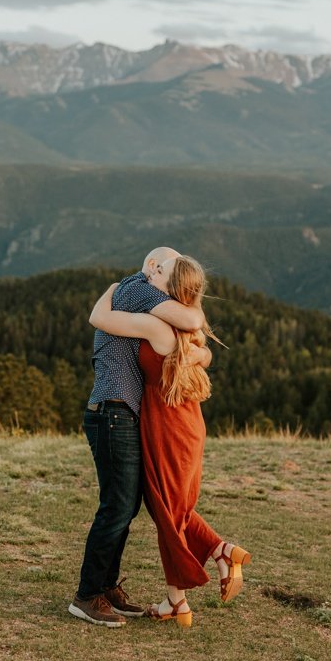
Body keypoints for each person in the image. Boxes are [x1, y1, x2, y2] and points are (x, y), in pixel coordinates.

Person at [90, 255, 249, 627]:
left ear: (173, 290)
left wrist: (112, 290)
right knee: (167, 504)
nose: (150, 273)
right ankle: (190, 585)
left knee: (166, 505)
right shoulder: (187, 331)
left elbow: (100, 318)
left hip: (168, 423)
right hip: (183, 420)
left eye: (160, 272)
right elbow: (201, 346)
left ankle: (204, 570)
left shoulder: (156, 326)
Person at [69, 247, 205, 628]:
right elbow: (192, 319)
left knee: (124, 506)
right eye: (165, 273)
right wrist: (199, 353)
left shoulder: (127, 292)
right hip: (112, 411)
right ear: (152, 269)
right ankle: (87, 595)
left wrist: (200, 355)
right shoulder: (142, 290)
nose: (170, 291)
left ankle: (106, 587)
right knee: (117, 506)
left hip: (118, 412)